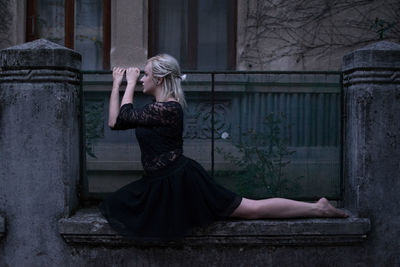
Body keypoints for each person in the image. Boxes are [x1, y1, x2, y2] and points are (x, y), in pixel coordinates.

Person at [98, 54, 348, 242]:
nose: (141, 78)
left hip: (181, 181)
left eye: (145, 74)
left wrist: (128, 83)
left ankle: (318, 207)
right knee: (115, 205)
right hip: (158, 182)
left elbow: (125, 114)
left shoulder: (168, 109)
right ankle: (317, 207)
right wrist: (115, 84)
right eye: (140, 76)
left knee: (251, 209)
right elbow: (115, 121)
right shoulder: (155, 109)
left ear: (160, 79)